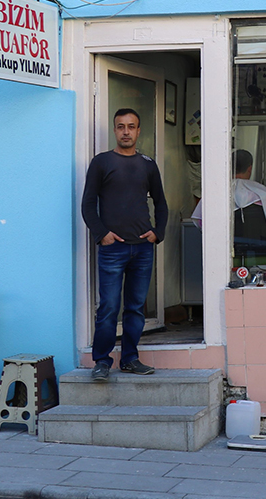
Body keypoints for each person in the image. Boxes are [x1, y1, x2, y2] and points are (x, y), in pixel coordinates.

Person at [81, 108, 168, 381]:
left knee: (135, 307)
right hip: (112, 249)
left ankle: (130, 359)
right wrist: (101, 233)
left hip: (142, 248)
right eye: (121, 127)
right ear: (115, 130)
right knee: (108, 306)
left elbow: (161, 203)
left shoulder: (147, 164)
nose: (126, 131)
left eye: (131, 126)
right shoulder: (101, 162)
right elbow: (87, 204)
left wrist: (158, 233)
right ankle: (102, 362)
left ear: (138, 130)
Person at [191, 149, 266, 229]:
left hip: (222, 248)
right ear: (250, 169)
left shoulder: (215, 194)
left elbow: (201, 224)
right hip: (260, 248)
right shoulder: (263, 194)